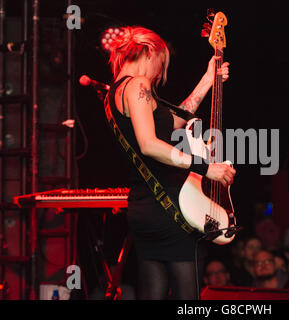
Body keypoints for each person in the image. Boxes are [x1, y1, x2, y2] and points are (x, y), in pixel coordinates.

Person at [105, 26, 235, 300]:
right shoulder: (138, 85)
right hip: (168, 208)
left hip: (144, 206)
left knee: (152, 291)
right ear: (150, 52)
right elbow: (150, 144)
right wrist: (206, 167)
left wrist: (206, 80)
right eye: (161, 65)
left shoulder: (115, 93)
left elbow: (174, 123)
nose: (159, 74)